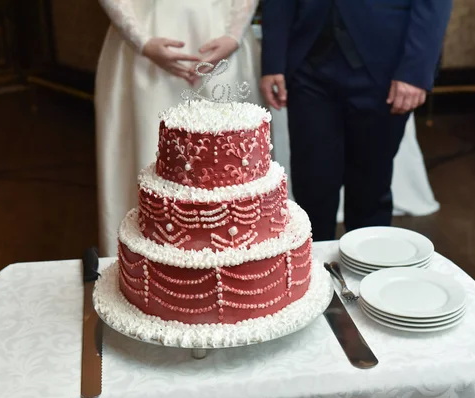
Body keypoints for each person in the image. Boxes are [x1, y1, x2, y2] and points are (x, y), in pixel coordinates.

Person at [260, 0, 452, 241]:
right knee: (312, 184)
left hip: (385, 66)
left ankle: (366, 272)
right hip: (308, 63)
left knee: (370, 189)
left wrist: (415, 71)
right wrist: (273, 60)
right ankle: (311, 271)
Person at [95, 0, 262, 256]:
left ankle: (237, 258)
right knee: (147, 152)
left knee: (226, 163)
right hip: (144, 42)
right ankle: (144, 260)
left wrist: (234, 33)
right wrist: (141, 40)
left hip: (222, 37)